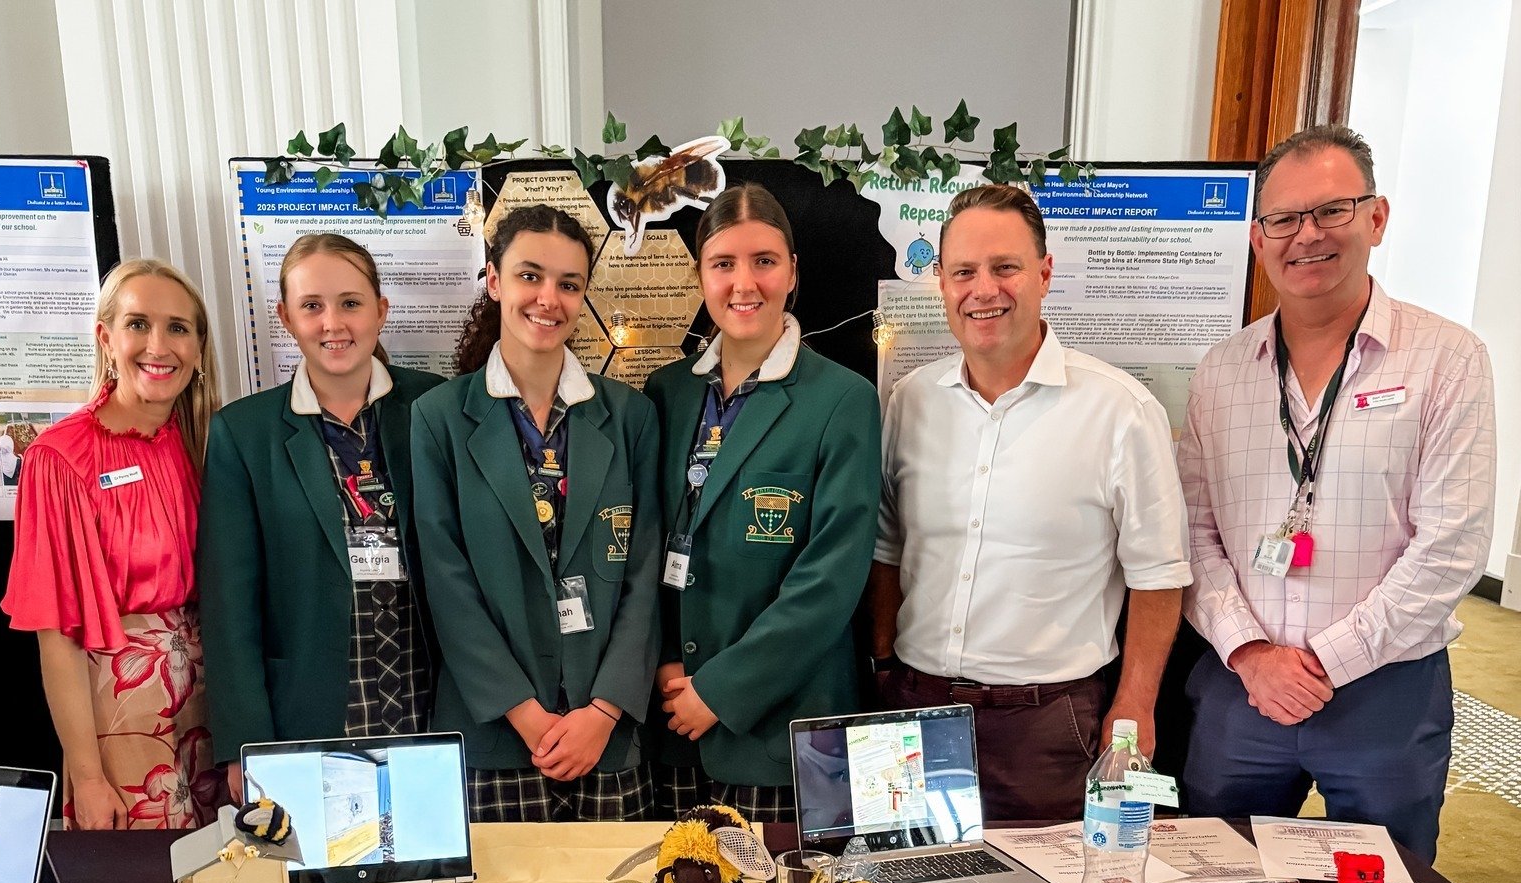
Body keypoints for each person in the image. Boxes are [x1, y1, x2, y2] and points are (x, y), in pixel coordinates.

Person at [1180, 124, 1495, 863]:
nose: (1307, 236)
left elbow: (1452, 546)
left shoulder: (1447, 359)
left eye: (1332, 211)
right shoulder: (1221, 371)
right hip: (1242, 687)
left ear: (1376, 217)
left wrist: (1324, 663)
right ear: (1258, 238)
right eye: (1284, 219)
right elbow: (1193, 534)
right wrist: (1254, 654)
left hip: (1386, 688)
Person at [869, 183, 1191, 821]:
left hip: (1048, 727)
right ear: (941, 283)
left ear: (1044, 273)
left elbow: (1158, 577)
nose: (983, 290)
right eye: (963, 271)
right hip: (913, 713)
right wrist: (880, 667)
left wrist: (1134, 709)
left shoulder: (1120, 412)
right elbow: (887, 548)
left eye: (1005, 268)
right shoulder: (909, 401)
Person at [410, 204, 662, 821]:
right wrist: (523, 712)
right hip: (494, 731)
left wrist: (602, 712)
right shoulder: (439, 418)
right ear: (494, 281)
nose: (548, 298)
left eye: (569, 284)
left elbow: (646, 575)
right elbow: (446, 583)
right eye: (530, 276)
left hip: (603, 735)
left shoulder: (630, 417)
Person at [645, 183, 881, 821]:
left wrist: (719, 691)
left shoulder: (842, 400)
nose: (743, 283)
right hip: (671, 723)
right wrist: (667, 661)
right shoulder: (665, 393)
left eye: (764, 261)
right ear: (700, 276)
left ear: (793, 271)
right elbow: (643, 542)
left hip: (783, 728)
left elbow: (830, 578)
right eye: (723, 264)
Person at [199, 233, 444, 800]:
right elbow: (230, 604)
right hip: (311, 705)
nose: (333, 322)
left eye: (351, 303)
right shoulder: (245, 432)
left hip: (427, 693)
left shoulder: (435, 406)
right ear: (286, 317)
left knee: (436, 876)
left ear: (381, 311)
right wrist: (245, 744)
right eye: (312, 306)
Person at [1, 258, 226, 829]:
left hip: (217, 697)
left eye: (178, 327)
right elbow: (57, 637)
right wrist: (88, 774)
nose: (159, 344)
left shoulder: (209, 442)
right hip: (125, 708)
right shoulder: (60, 458)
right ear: (106, 337)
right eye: (138, 324)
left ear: (199, 347)